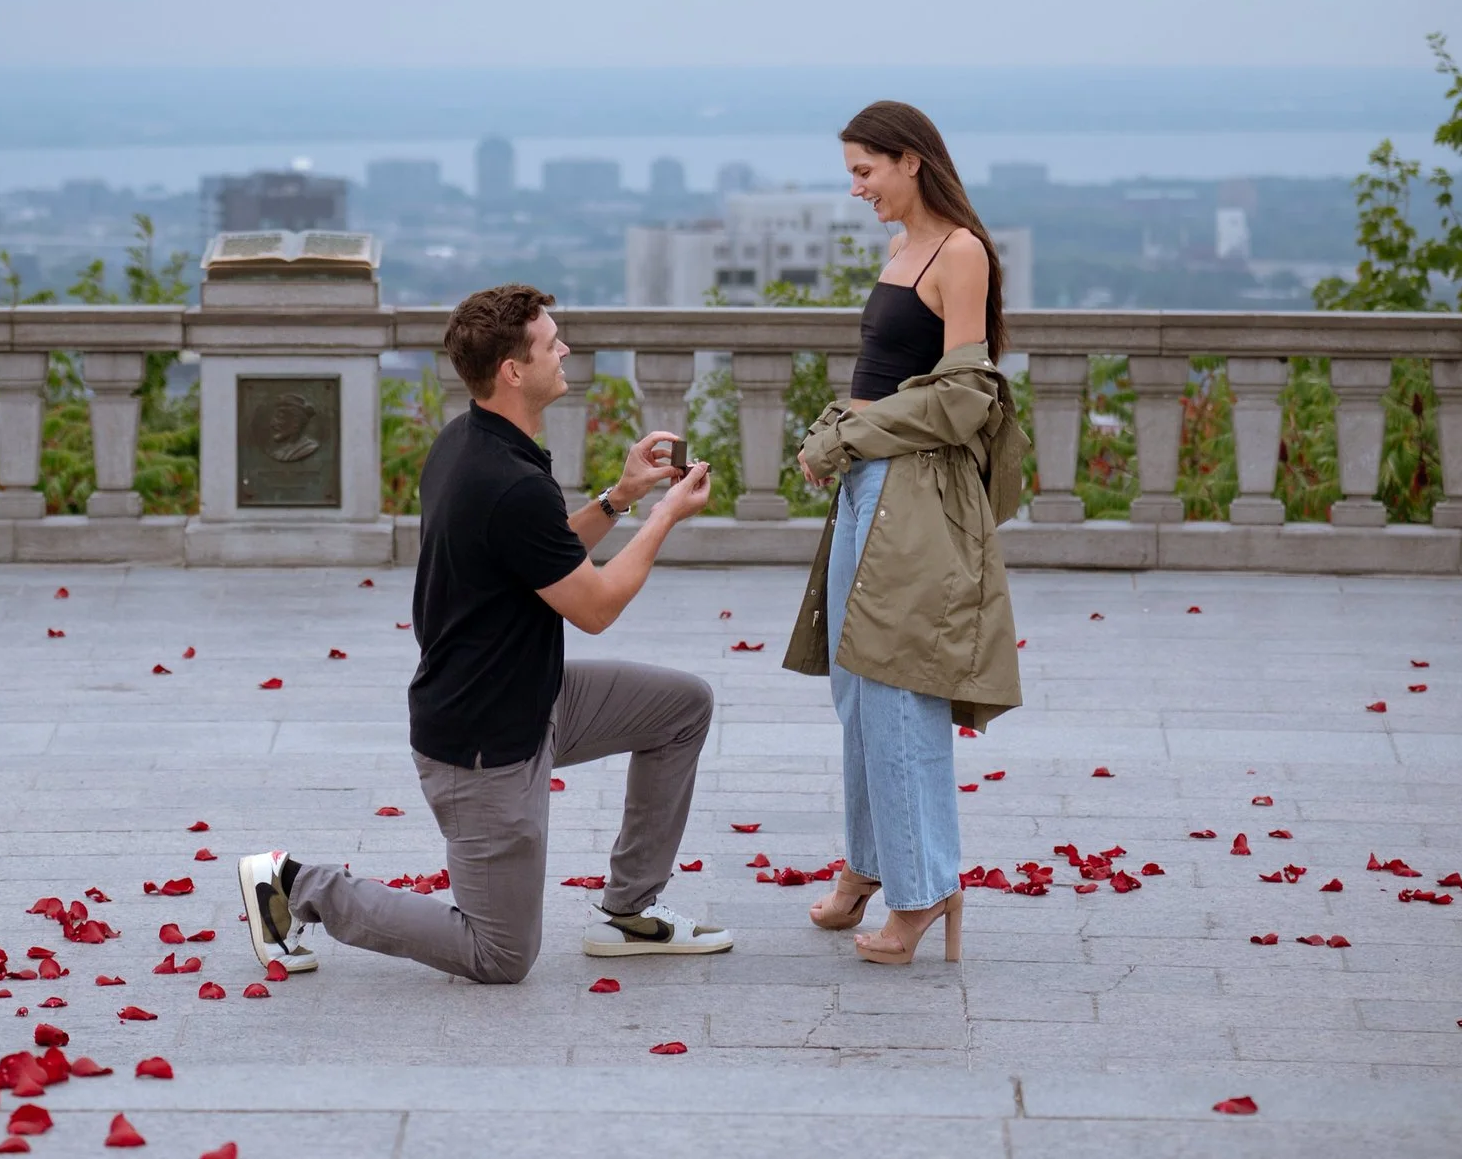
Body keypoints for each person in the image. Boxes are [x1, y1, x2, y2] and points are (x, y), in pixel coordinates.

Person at [239, 282, 730, 984]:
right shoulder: (505, 478)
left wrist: (621, 495)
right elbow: (594, 607)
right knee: (499, 955)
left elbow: (544, 551)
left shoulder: (473, 440)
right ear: (513, 370)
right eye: (551, 342)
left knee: (682, 706)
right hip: (481, 749)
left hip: (533, 699)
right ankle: (292, 885)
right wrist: (666, 517)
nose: (565, 350)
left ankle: (631, 908)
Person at [783, 101, 1026, 966]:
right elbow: (892, 380)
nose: (857, 189)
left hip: (916, 490)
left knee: (896, 684)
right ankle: (870, 865)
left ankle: (922, 891)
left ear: (911, 160)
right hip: (867, 483)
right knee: (856, 683)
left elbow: (965, 397)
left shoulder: (961, 252)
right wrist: (841, 434)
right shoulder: (900, 250)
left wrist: (852, 431)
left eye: (864, 170)